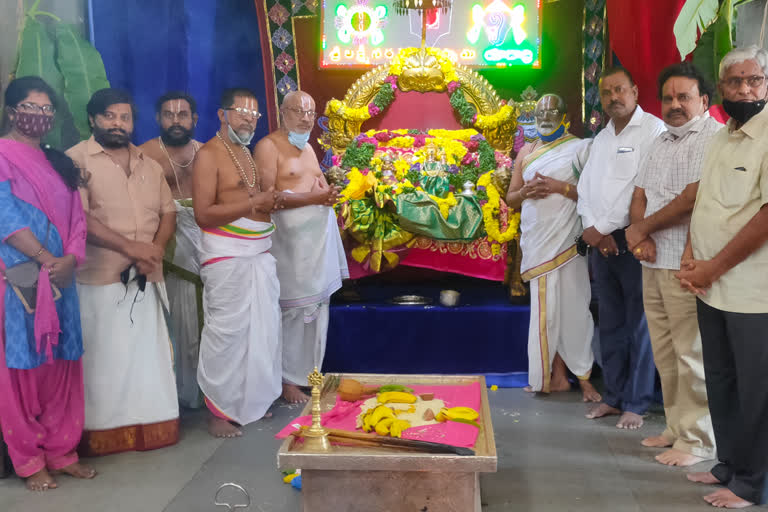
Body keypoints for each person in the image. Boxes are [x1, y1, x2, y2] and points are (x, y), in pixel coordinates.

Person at [677, 45, 768, 509]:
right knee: (722, 380)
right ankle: (729, 465)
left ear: (767, 84)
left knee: (756, 391)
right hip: (712, 287)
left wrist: (714, 266)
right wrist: (694, 259)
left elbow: (766, 216)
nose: (745, 89)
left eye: (754, 80)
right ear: (722, 87)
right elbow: (707, 203)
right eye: (735, 82)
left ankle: (753, 484)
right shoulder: (722, 136)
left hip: (754, 292)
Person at [67, 88, 179, 456]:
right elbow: (79, 218)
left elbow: (167, 212)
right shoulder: (76, 160)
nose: (118, 124)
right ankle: (104, 435)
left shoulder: (148, 162)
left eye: (125, 117)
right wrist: (130, 248)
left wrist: (155, 251)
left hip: (146, 275)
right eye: (110, 117)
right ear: (93, 120)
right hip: (101, 279)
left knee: (148, 359)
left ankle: (153, 429)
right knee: (105, 361)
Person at [0, 76, 95, 490]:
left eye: (45, 110)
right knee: (23, 370)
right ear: (10, 112)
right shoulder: (2, 155)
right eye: (29, 108)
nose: (38, 116)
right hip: (20, 276)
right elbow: (6, 217)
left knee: (62, 363)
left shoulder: (59, 161)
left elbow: (78, 217)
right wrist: (44, 258)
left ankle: (61, 451)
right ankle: (29, 461)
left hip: (63, 276)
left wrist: (71, 259)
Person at [626, 62, 719, 467]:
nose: (675, 104)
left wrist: (640, 229)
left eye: (684, 97)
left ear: (704, 100)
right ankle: (676, 428)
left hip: (688, 261)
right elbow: (640, 193)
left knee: (690, 354)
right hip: (653, 262)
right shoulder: (660, 141)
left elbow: (691, 200)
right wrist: (639, 234)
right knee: (665, 351)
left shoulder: (713, 140)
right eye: (668, 97)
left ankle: (698, 440)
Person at [577, 67, 665, 429]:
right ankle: (613, 396)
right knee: (610, 323)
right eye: (607, 91)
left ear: (635, 91)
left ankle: (637, 402)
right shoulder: (601, 138)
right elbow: (586, 189)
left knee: (639, 326)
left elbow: (639, 186)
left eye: (620, 89)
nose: (613, 97)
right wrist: (591, 230)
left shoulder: (653, 131)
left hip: (635, 242)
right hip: (603, 245)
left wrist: (605, 229)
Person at [194, 88, 283, 437]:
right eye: (242, 112)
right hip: (227, 256)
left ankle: (251, 401)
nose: (248, 119)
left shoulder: (245, 153)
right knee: (226, 333)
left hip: (258, 254)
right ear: (222, 114)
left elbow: (253, 200)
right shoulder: (209, 155)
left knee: (260, 330)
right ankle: (217, 409)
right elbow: (203, 215)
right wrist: (253, 204)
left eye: (254, 114)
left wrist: (269, 202)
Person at [254, 90, 348, 404]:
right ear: (283, 112)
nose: (306, 117)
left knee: (316, 311)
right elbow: (269, 198)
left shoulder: (307, 147)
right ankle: (284, 379)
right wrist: (317, 198)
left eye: (310, 111)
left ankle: (307, 373)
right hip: (287, 244)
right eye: (298, 111)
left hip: (314, 245)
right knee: (291, 312)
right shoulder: (268, 147)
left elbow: (317, 185)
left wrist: (328, 193)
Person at [505, 93, 600, 403]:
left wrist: (560, 188)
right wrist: (526, 191)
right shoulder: (526, 153)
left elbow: (593, 194)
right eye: (540, 115)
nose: (545, 120)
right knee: (548, 312)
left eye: (551, 114)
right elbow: (511, 198)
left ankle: (582, 377)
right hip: (538, 240)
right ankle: (553, 377)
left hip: (568, 242)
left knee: (573, 309)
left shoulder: (580, 149)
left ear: (565, 118)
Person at [140, 91, 203, 408]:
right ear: (158, 119)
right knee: (177, 320)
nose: (176, 120)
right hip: (167, 247)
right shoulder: (143, 155)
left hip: (207, 244)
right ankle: (177, 393)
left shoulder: (206, 153)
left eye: (183, 114)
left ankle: (207, 391)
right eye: (169, 114)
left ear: (194, 119)